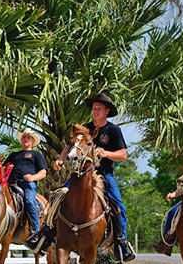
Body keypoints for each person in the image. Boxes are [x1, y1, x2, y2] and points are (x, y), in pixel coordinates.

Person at [37, 93, 137, 261]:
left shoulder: (113, 130)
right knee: (57, 197)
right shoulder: (85, 129)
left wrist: (106, 153)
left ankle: (121, 243)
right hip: (80, 175)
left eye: (99, 109)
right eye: (93, 108)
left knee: (119, 206)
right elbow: (70, 145)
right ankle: (45, 234)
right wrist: (61, 159)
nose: (95, 111)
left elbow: (123, 154)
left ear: (106, 111)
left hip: (104, 176)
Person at [5, 129, 49, 247]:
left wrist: (33, 177)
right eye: (24, 137)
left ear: (33, 141)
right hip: (11, 183)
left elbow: (43, 172)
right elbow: (2, 168)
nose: (25, 139)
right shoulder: (13, 155)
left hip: (27, 184)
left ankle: (35, 230)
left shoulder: (36, 155)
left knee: (29, 201)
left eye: (28, 137)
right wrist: (8, 168)